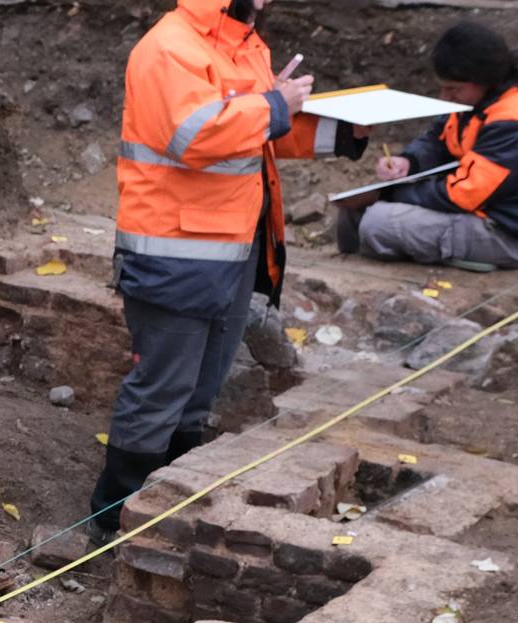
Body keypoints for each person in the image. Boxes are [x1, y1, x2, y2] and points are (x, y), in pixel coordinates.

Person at [96, 0, 368, 531]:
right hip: (173, 248)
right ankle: (113, 519)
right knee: (161, 388)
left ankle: (166, 507)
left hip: (234, 245)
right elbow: (195, 136)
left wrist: (343, 132)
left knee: (200, 391)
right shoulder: (169, 47)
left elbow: (257, 133)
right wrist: (274, 103)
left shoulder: (243, 44)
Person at [337, 22, 518, 269]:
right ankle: (352, 263)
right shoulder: (481, 97)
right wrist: (409, 162)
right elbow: (440, 138)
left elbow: (463, 194)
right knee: (355, 212)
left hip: (512, 234)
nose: (445, 97)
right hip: (482, 209)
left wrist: (391, 194)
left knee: (377, 222)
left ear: (484, 79)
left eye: (453, 89)